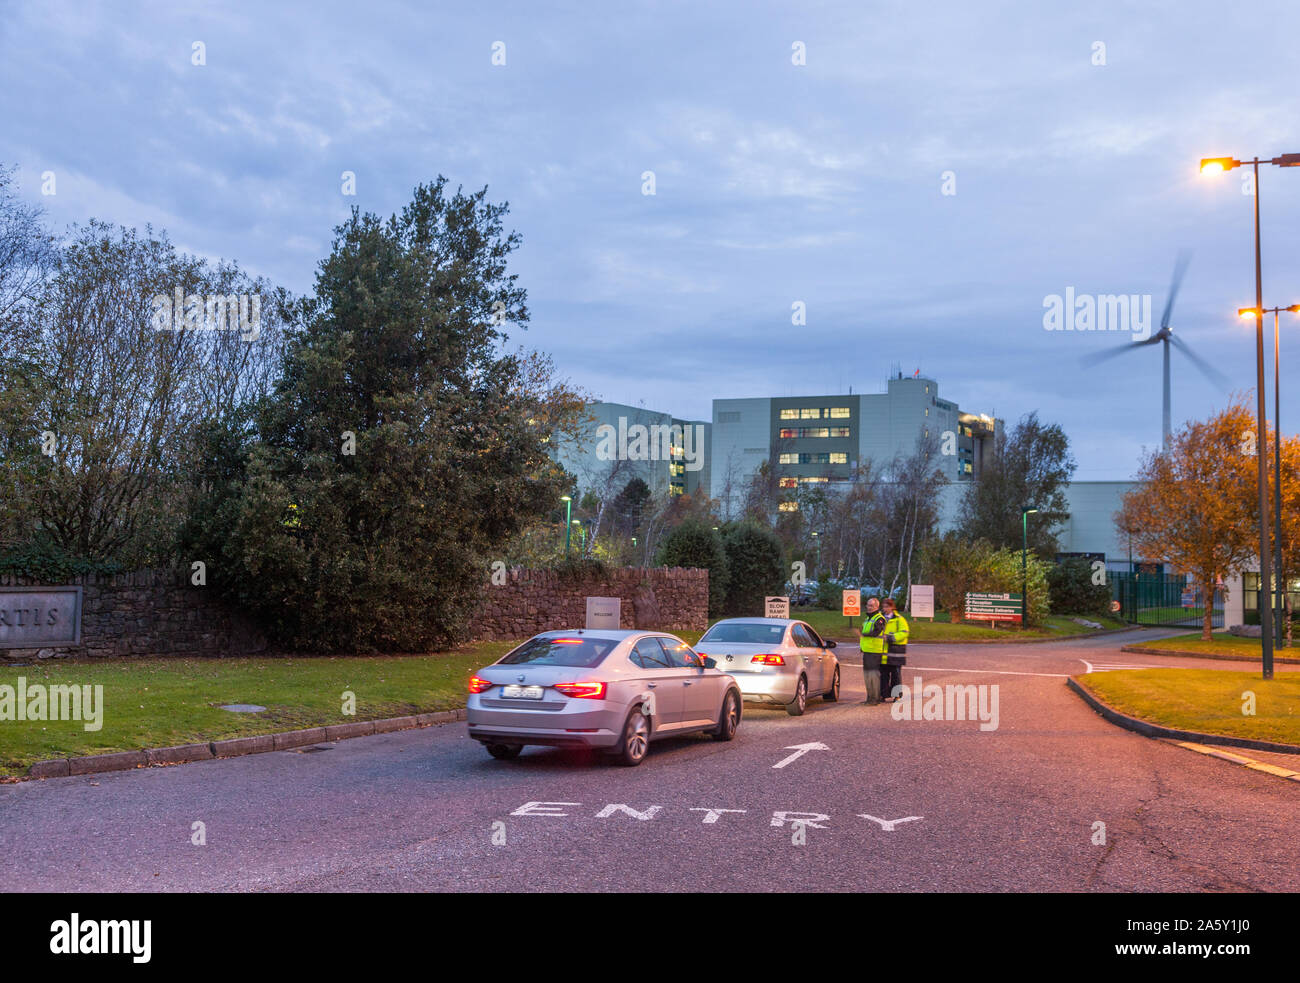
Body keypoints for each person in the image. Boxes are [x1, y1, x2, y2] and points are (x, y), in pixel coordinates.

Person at [880, 597, 910, 701]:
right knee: (883, 675)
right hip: (883, 652)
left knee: (896, 675)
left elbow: (904, 632)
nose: (885, 609)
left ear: (892, 607)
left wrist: (890, 637)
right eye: (883, 606)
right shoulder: (880, 618)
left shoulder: (899, 619)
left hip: (896, 652)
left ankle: (897, 695)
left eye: (887, 606)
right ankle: (883, 695)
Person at [859, 597, 887, 705]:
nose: (869, 607)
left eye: (871, 606)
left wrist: (863, 634)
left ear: (877, 607)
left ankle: (875, 698)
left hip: (875, 651)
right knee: (867, 676)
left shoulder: (879, 619)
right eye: (868, 605)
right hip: (867, 651)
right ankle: (869, 698)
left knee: (873, 676)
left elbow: (876, 632)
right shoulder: (868, 619)